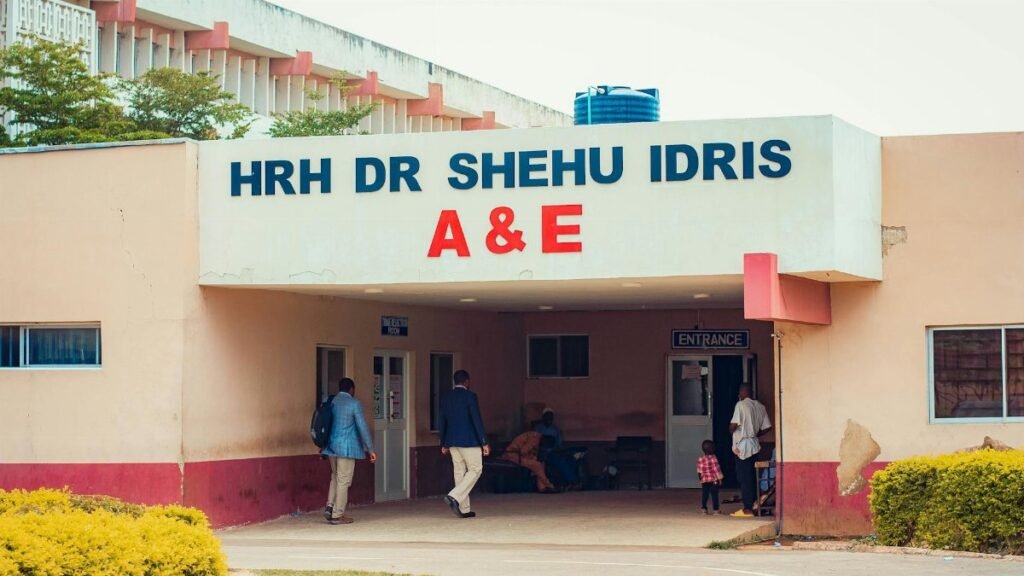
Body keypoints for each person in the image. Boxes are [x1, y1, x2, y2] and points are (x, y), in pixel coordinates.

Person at [322, 378, 376, 525]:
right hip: (346, 448)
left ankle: (330, 505)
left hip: (331, 446)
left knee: (335, 477)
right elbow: (362, 427)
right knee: (344, 481)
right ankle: (337, 515)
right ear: (351, 389)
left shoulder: (331, 401)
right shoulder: (354, 403)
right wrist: (370, 449)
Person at [440, 369, 489, 518]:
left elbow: (443, 421)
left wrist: (443, 443)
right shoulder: (470, 396)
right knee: (476, 469)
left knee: (459, 472)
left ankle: (464, 508)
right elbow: (476, 419)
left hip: (452, 441)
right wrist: (484, 442)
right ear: (467, 382)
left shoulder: (447, 397)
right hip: (469, 441)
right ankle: (454, 496)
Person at [729, 384, 772, 517]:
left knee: (744, 478)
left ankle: (747, 508)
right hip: (754, 444)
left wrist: (730, 431)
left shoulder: (741, 405)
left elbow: (733, 425)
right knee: (754, 477)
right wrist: (755, 434)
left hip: (743, 447)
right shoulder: (760, 406)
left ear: (742, 393)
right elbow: (767, 427)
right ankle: (755, 504)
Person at [534, 408, 579, 488]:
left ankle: (568, 482)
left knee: (571, 459)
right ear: (543, 417)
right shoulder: (538, 428)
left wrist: (563, 451)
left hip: (555, 451)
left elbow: (559, 445)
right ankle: (573, 481)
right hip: (544, 454)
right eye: (547, 417)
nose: (549, 419)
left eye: (551, 417)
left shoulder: (556, 429)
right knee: (560, 461)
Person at [696, 439, 724, 515]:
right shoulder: (713, 458)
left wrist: (700, 479)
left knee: (705, 495)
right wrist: (720, 478)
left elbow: (699, 470)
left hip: (704, 481)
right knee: (714, 495)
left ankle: (704, 509)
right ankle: (716, 510)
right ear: (713, 449)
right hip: (713, 481)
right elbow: (716, 469)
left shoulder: (700, 458)